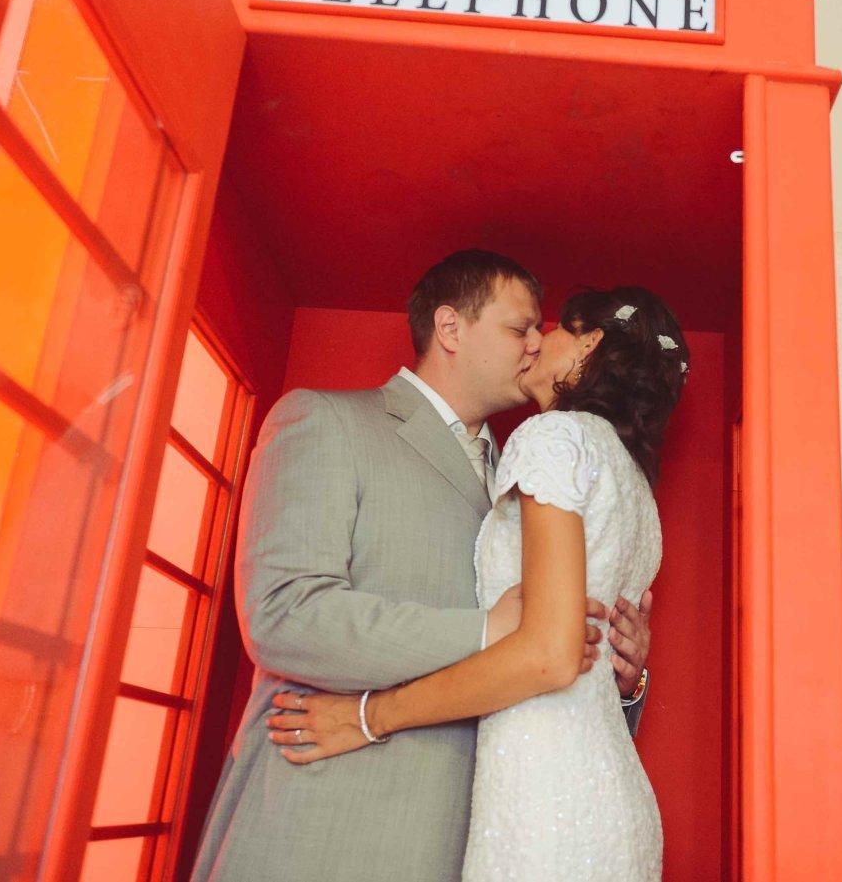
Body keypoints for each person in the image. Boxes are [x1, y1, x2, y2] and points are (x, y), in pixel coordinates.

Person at [193, 252, 660, 882]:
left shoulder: (534, 468)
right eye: (519, 327)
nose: (535, 343)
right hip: (328, 821)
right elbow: (283, 616)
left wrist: (624, 678)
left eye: (540, 330)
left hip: (480, 842)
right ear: (450, 328)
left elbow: (547, 679)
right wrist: (488, 630)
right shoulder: (326, 421)